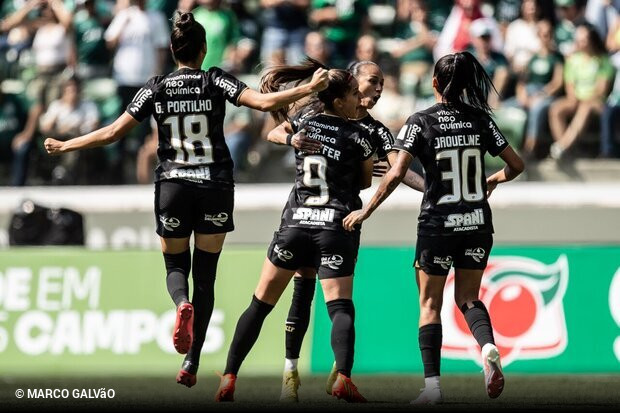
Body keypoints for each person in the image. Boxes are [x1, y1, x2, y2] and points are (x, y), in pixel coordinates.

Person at [44, 10, 328, 388]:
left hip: (173, 186)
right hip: (214, 185)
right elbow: (262, 104)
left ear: (173, 51)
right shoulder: (215, 79)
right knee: (206, 276)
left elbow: (113, 131)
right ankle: (192, 363)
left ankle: (181, 304)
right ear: (204, 49)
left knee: (175, 265)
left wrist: (66, 144)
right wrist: (308, 88)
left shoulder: (156, 86)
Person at [343, 51, 524, 404]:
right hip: (477, 222)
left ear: (435, 83)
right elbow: (516, 165)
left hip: (438, 225)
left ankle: (433, 389)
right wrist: (494, 179)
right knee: (469, 298)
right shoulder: (481, 120)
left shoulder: (421, 121)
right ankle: (487, 346)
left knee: (429, 303)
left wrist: (366, 210)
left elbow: (396, 172)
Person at [214, 58, 374, 404]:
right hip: (334, 225)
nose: (359, 100)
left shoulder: (303, 122)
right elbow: (363, 182)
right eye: (353, 95)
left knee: (259, 305)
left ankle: (228, 377)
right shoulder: (359, 135)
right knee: (340, 308)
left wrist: (294, 140)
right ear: (339, 100)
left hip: (295, 225)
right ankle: (344, 378)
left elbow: (274, 130)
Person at [265, 60, 425, 403]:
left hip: (339, 220)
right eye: (372, 81)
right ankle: (290, 372)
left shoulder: (376, 130)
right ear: (351, 84)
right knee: (303, 290)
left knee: (334, 300)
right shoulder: (316, 109)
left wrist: (426, 188)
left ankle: (339, 371)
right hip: (305, 213)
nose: (378, 88)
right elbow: (277, 128)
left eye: (383, 82)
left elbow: (398, 169)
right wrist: (291, 138)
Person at [548, 23, 615, 160]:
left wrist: (584, 99)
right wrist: (575, 99)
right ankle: (567, 151)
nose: (580, 43)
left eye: (583, 39)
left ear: (591, 39)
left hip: (597, 103)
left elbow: (602, 90)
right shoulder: (572, 60)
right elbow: (570, 87)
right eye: (578, 39)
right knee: (556, 109)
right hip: (576, 99)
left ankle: (562, 146)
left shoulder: (603, 61)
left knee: (586, 107)